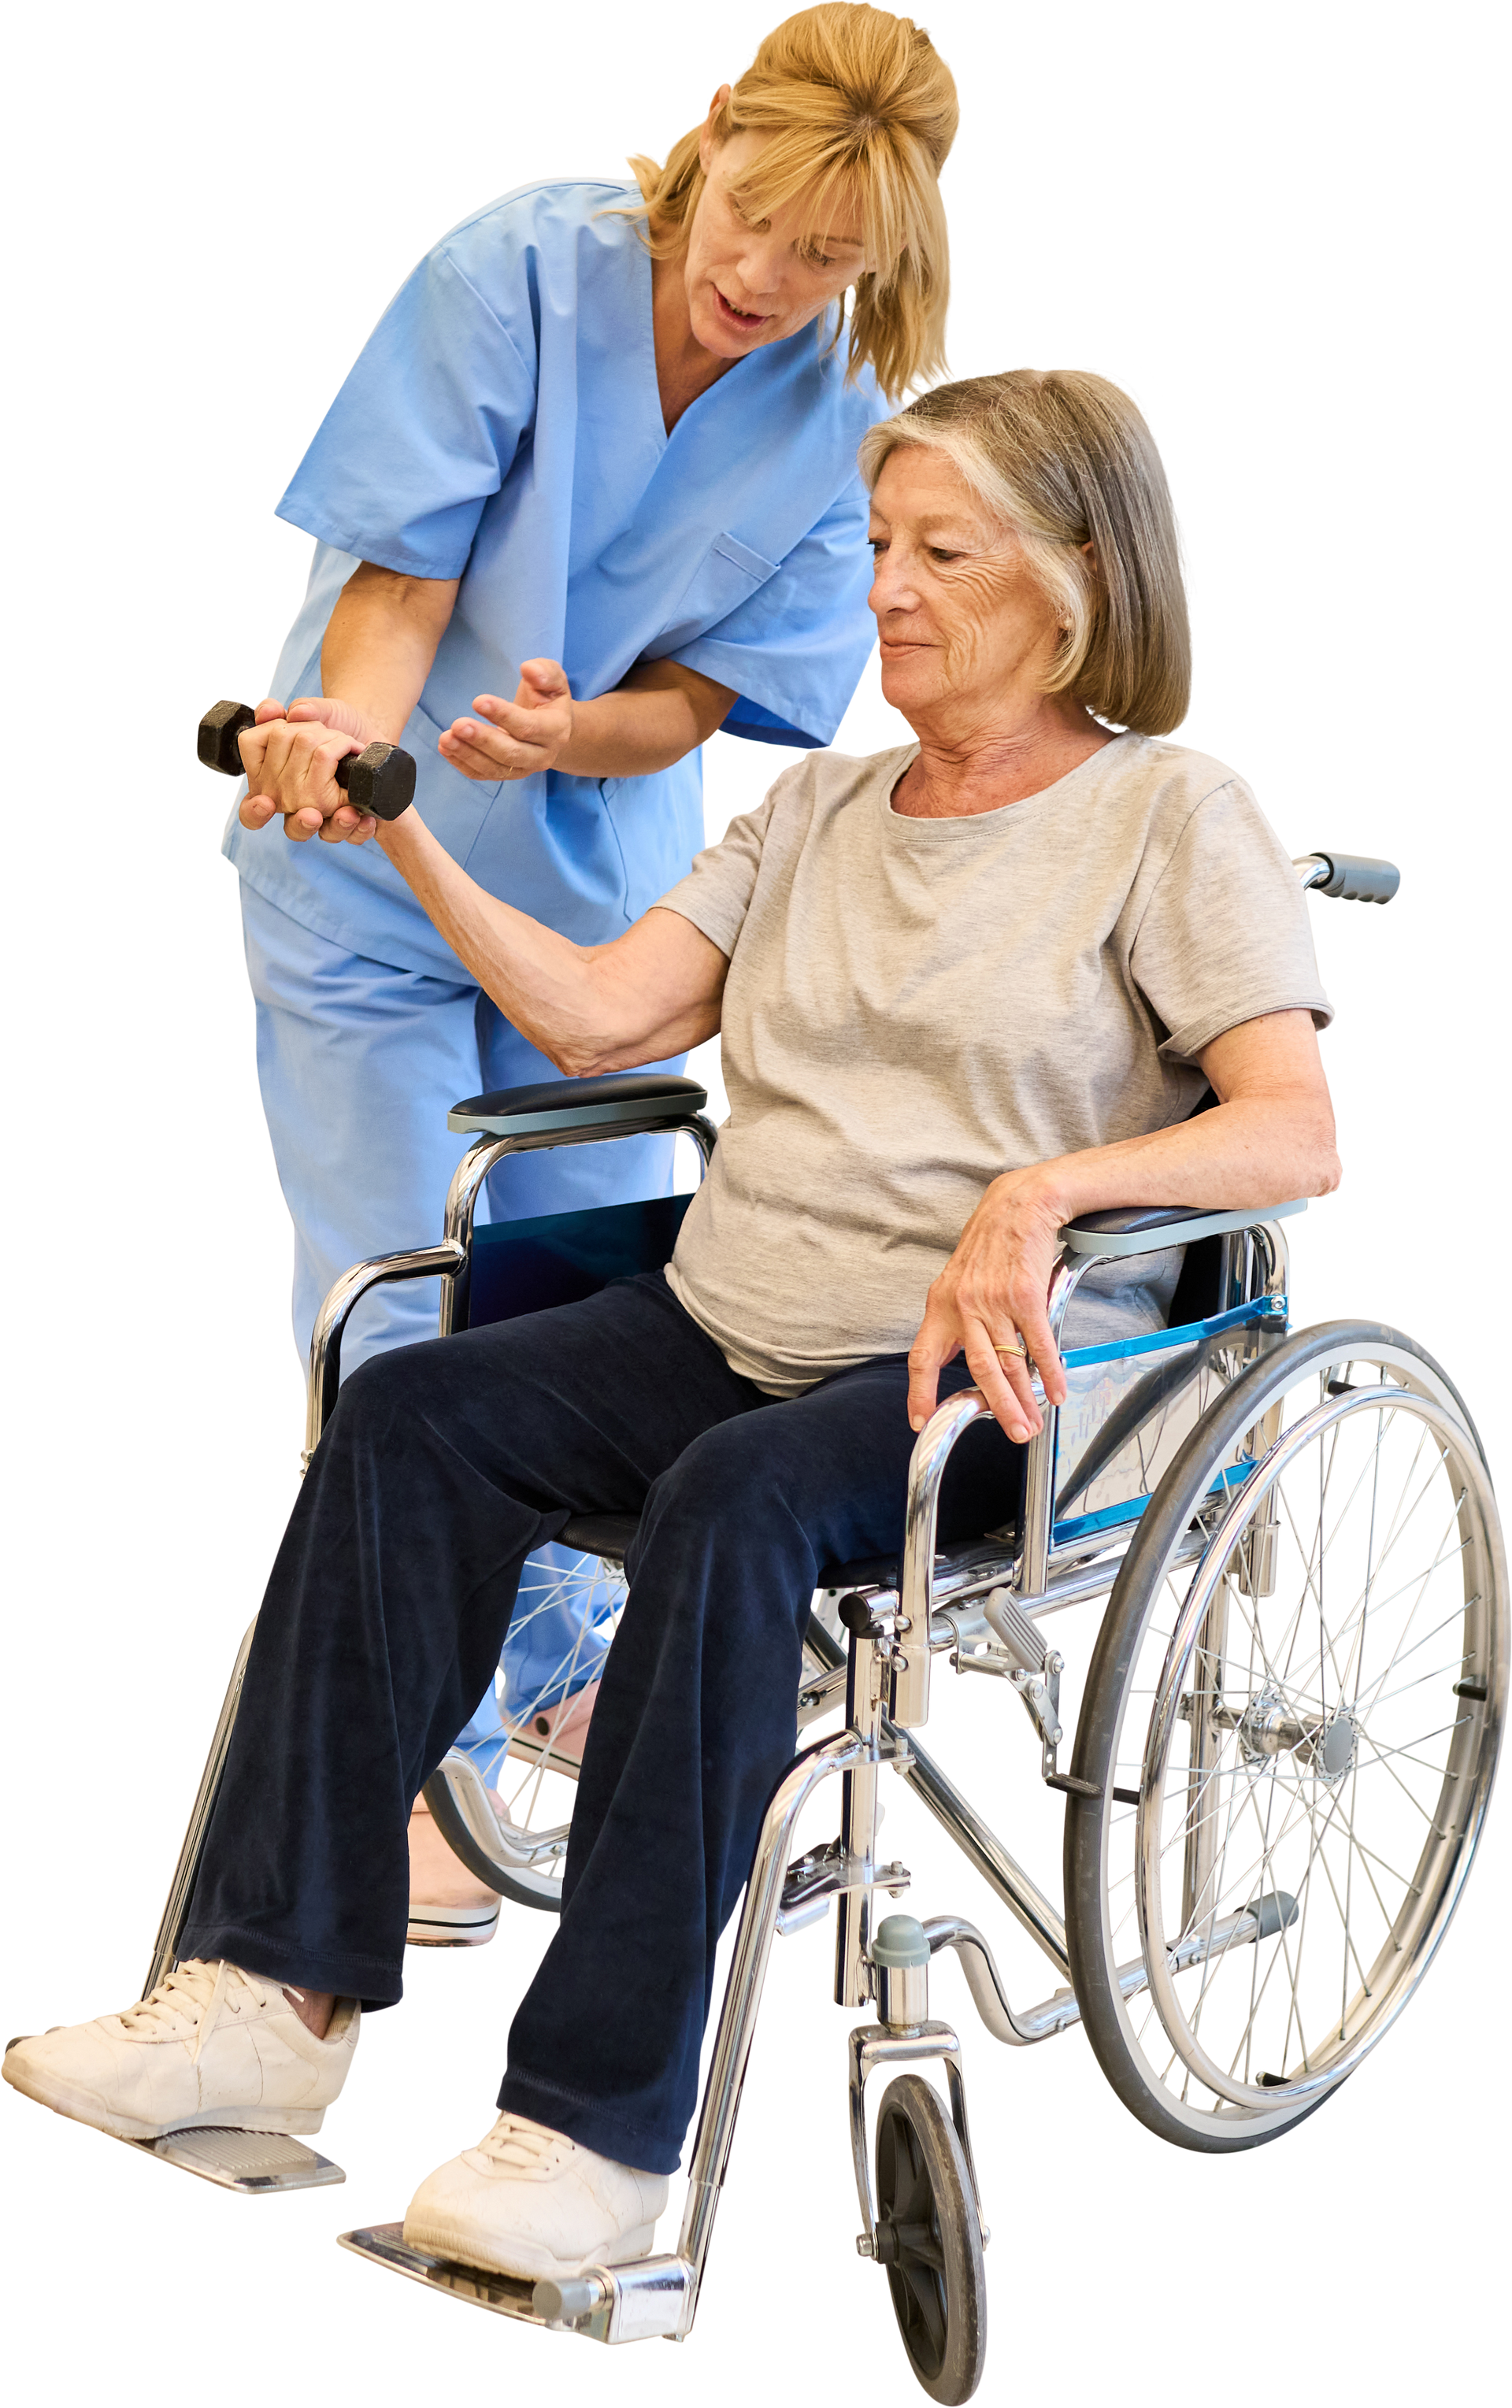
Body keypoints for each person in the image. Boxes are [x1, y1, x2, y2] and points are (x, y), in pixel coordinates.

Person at [9, 367, 1342, 2281]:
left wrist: (1041, 1195)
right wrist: (400, 833)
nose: (884, 591)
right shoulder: (812, 804)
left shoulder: (1170, 816)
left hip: (986, 1378)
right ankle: (264, 2007)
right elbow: (597, 1018)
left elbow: (1293, 1125)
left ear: (1072, 584)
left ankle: (592, 2129)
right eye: (881, 546)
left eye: (940, 554)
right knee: (407, 1413)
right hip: (727, 1314)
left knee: (729, 1503)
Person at [217, 3, 961, 1891]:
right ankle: (417, 1780)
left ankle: (541, 1700)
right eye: (758, 220)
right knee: (398, 1310)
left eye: (827, 262)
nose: (766, 281)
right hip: (366, 865)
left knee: (580, 1319)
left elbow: (701, 702)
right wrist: (341, 745)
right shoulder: (519, 265)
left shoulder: (849, 406)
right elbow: (398, 582)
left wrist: (565, 736)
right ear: (711, 129)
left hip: (605, 910)